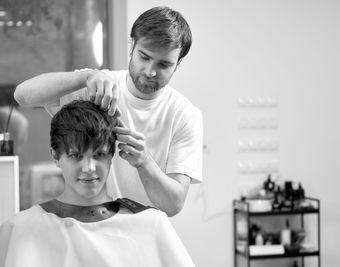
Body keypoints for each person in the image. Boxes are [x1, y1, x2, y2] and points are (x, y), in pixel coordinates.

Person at [14, 6, 203, 216]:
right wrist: (85, 77)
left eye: (164, 64)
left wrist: (145, 162)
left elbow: (173, 205)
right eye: (144, 57)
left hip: (142, 232)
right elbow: (23, 96)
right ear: (132, 46)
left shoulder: (185, 115)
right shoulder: (97, 86)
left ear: (178, 63)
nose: (150, 71)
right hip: (89, 223)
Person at [0, 100, 195, 267]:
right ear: (55, 157)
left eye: (99, 154)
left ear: (112, 154)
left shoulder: (150, 224)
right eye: (75, 156)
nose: (88, 168)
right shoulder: (21, 229)